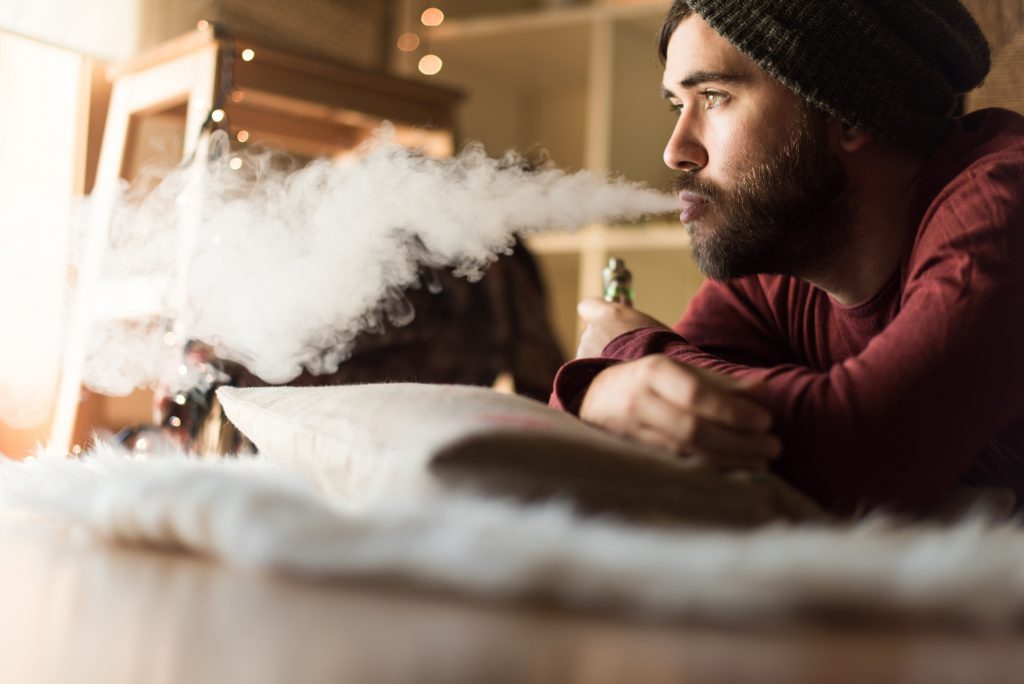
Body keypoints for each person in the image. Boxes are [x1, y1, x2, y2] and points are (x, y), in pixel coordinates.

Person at [551, 0, 1024, 517]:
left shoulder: (1004, 201)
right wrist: (600, 390)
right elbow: (675, 426)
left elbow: (866, 452)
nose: (675, 151)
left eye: (713, 97)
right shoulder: (787, 245)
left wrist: (628, 349)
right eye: (675, 105)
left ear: (847, 111)